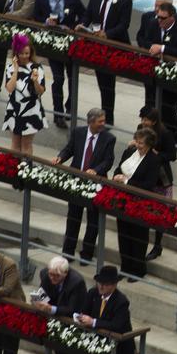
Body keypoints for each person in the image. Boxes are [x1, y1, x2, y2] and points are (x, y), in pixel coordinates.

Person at [53, 109, 116, 262]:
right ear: (91, 122)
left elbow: (108, 161)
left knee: (93, 222)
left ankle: (86, 253)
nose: (103, 124)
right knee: (73, 218)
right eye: (100, 121)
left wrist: (95, 170)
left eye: (103, 120)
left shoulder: (109, 138)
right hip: (76, 181)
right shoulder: (78, 132)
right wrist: (60, 158)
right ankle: (68, 252)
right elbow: (69, 149)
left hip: (96, 184)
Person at [33, 0, 84, 127]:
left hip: (70, 43)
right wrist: (46, 21)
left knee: (73, 78)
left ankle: (70, 108)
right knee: (58, 78)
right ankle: (58, 112)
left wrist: (75, 27)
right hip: (52, 44)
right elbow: (36, 16)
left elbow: (84, 15)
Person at [81, 0, 132, 125]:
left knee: (108, 84)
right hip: (96, 46)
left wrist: (107, 34)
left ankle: (108, 119)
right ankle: (105, 116)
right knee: (102, 82)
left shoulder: (124, 1)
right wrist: (83, 25)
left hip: (113, 48)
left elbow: (124, 25)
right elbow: (88, 14)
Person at [112, 127, 161, 280]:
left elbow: (149, 184)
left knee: (138, 236)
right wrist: (117, 176)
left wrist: (126, 181)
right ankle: (125, 267)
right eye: (137, 141)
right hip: (123, 200)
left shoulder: (153, 160)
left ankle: (138, 270)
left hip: (140, 203)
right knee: (124, 234)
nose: (138, 145)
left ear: (149, 144)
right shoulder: (129, 152)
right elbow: (118, 168)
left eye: (141, 143)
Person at [146, 3, 177, 145]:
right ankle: (163, 135)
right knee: (162, 107)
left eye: (163, 18)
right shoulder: (153, 24)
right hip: (158, 74)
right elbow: (144, 39)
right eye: (158, 17)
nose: (159, 20)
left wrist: (162, 48)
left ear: (172, 17)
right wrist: (151, 47)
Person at [74, 265, 134, 354]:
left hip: (119, 349)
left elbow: (116, 325)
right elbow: (84, 311)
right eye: (100, 283)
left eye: (106, 284)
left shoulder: (121, 301)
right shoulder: (93, 293)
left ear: (114, 285)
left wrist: (93, 322)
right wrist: (81, 317)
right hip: (97, 343)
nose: (101, 286)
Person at [137, 108, 176, 261]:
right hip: (146, 175)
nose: (143, 122)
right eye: (142, 119)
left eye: (146, 119)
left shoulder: (165, 134)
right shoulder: (141, 130)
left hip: (161, 179)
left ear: (153, 121)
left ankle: (157, 245)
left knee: (160, 213)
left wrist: (157, 154)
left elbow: (172, 155)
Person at [33, 255, 86, 354]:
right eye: (51, 274)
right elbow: (41, 294)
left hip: (71, 324)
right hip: (55, 322)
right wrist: (37, 301)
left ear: (65, 273)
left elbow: (73, 309)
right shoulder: (45, 274)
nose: (52, 277)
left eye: (56, 276)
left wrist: (51, 309)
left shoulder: (77, 282)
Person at [2, 34, 46, 155]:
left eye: (27, 53)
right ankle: (13, 169)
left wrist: (35, 80)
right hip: (14, 108)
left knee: (26, 144)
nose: (24, 56)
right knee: (15, 143)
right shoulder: (10, 68)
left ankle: (26, 169)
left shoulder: (37, 68)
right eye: (21, 53)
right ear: (16, 53)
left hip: (31, 109)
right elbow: (10, 88)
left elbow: (40, 91)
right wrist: (16, 69)